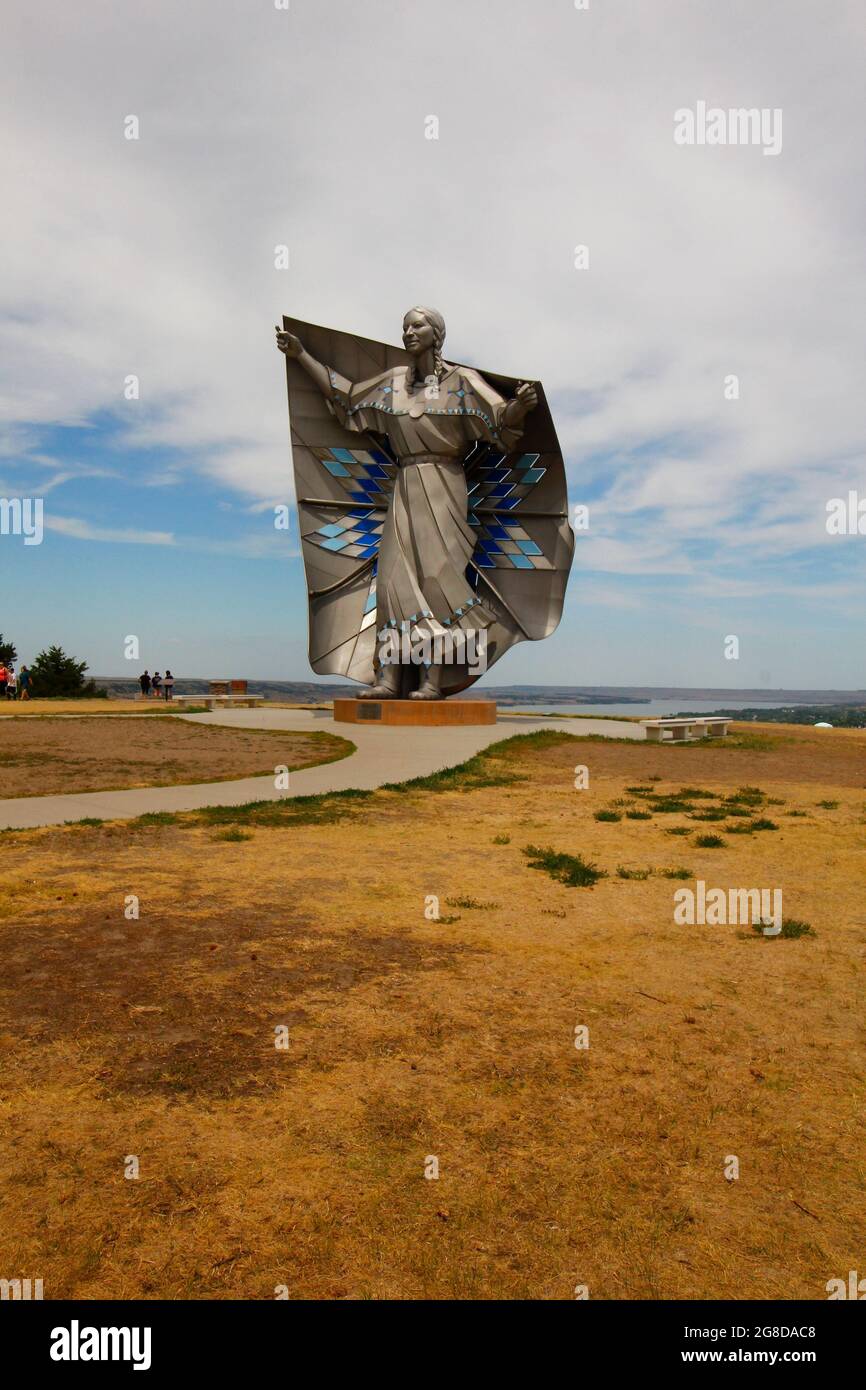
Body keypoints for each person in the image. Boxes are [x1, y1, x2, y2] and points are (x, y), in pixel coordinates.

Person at [276, 306, 537, 699]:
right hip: (405, 484)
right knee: (394, 582)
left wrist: (522, 404)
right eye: (404, 327)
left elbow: (499, 419)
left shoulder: (461, 382)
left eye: (417, 325)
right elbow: (345, 397)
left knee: (436, 579)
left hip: (444, 485)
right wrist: (301, 355)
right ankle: (390, 678)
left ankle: (432, 680)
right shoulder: (394, 384)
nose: (408, 332)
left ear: (437, 334)